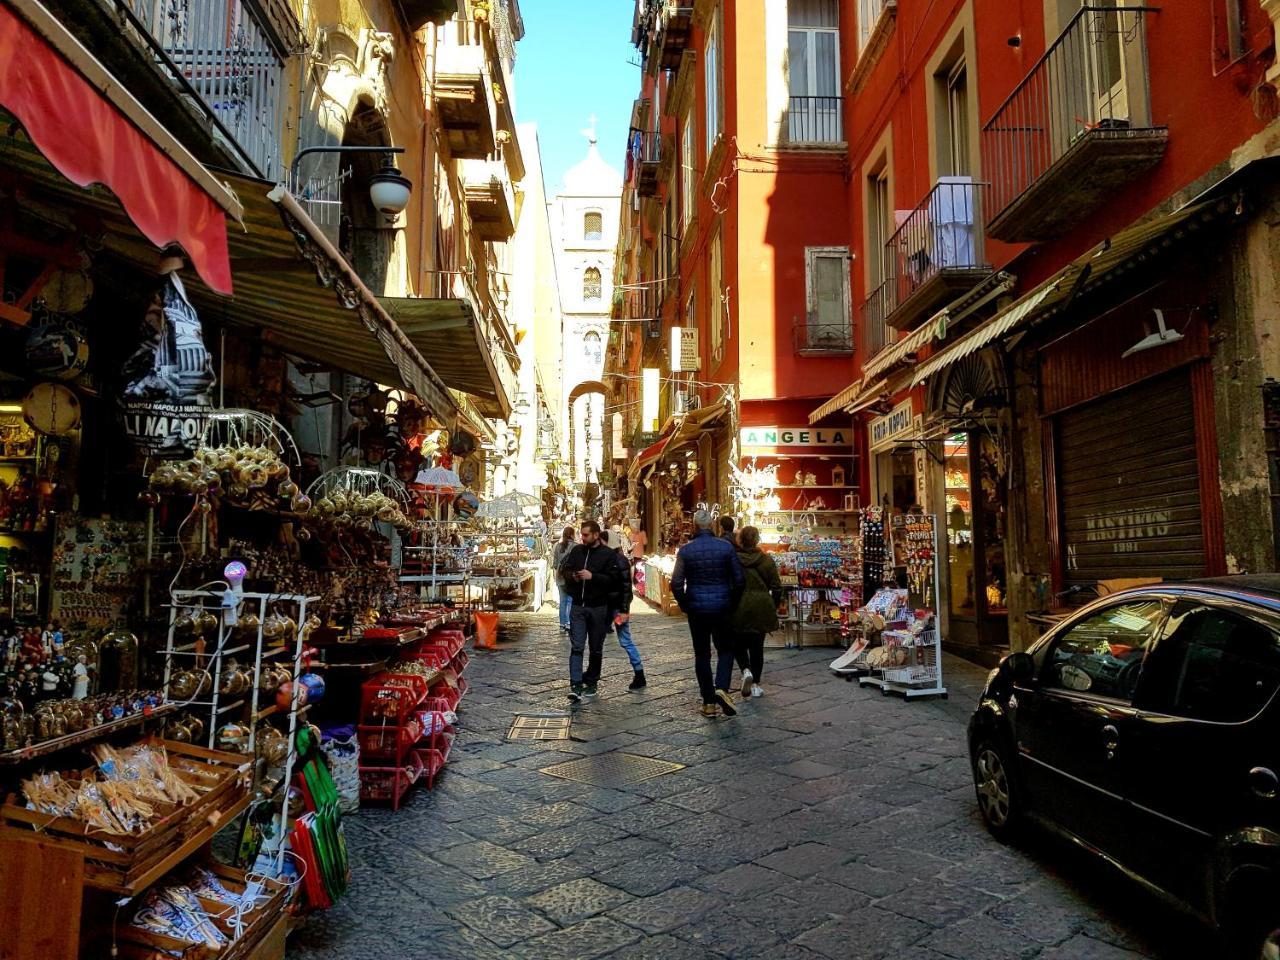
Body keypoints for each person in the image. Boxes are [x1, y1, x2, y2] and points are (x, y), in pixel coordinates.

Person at [671, 509, 745, 717]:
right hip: (723, 606)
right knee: (726, 649)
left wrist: (685, 604)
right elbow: (739, 580)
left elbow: (676, 583)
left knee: (702, 654)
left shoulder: (686, 551)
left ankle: (708, 703)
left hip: (697, 608)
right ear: (712, 525)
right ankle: (721, 687)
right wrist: (733, 601)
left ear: (694, 526)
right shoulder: (726, 548)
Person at [558, 520, 619, 703]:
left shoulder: (608, 555)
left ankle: (592, 681)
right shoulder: (577, 551)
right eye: (581, 535)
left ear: (595, 535)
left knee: (595, 647)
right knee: (577, 646)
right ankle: (575, 684)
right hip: (578, 606)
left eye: (586, 535)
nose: (582, 538)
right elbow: (566, 570)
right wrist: (573, 577)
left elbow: (613, 580)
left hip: (598, 607)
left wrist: (593, 577)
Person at [731, 526, 782, 699]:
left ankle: (745, 669)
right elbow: (776, 587)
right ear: (757, 539)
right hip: (761, 605)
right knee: (757, 646)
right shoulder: (766, 560)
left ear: (740, 540)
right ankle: (755, 684)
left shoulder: (733, 560)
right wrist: (772, 606)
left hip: (738, 605)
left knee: (737, 642)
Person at [601, 530, 646, 689]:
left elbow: (626, 588)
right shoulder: (617, 559)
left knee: (624, 640)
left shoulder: (616, 560)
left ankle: (639, 673)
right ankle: (639, 673)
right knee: (617, 640)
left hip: (616, 609)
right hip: (613, 608)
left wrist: (624, 610)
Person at [552, 526, 577, 633]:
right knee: (570, 601)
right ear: (572, 535)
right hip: (571, 578)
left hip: (560, 577)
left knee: (562, 601)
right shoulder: (576, 547)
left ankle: (562, 624)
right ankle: (568, 623)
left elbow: (555, 564)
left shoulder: (557, 546)